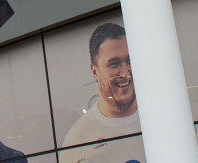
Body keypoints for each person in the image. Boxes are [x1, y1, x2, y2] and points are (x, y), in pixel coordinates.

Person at [60, 22, 145, 163]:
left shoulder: (163, 118)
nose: (125, 73)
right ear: (95, 72)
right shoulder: (77, 143)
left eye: (129, 61)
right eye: (114, 64)